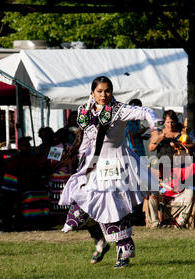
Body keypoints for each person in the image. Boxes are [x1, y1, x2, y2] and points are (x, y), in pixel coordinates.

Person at [59, 75, 163, 268]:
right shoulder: (85, 111)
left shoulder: (119, 110)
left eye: (107, 91)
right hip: (92, 164)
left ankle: (123, 252)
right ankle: (101, 240)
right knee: (80, 206)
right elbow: (86, 139)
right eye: (99, 91)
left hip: (115, 163)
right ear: (92, 93)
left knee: (113, 207)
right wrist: (78, 157)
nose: (104, 95)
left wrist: (155, 129)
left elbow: (146, 112)